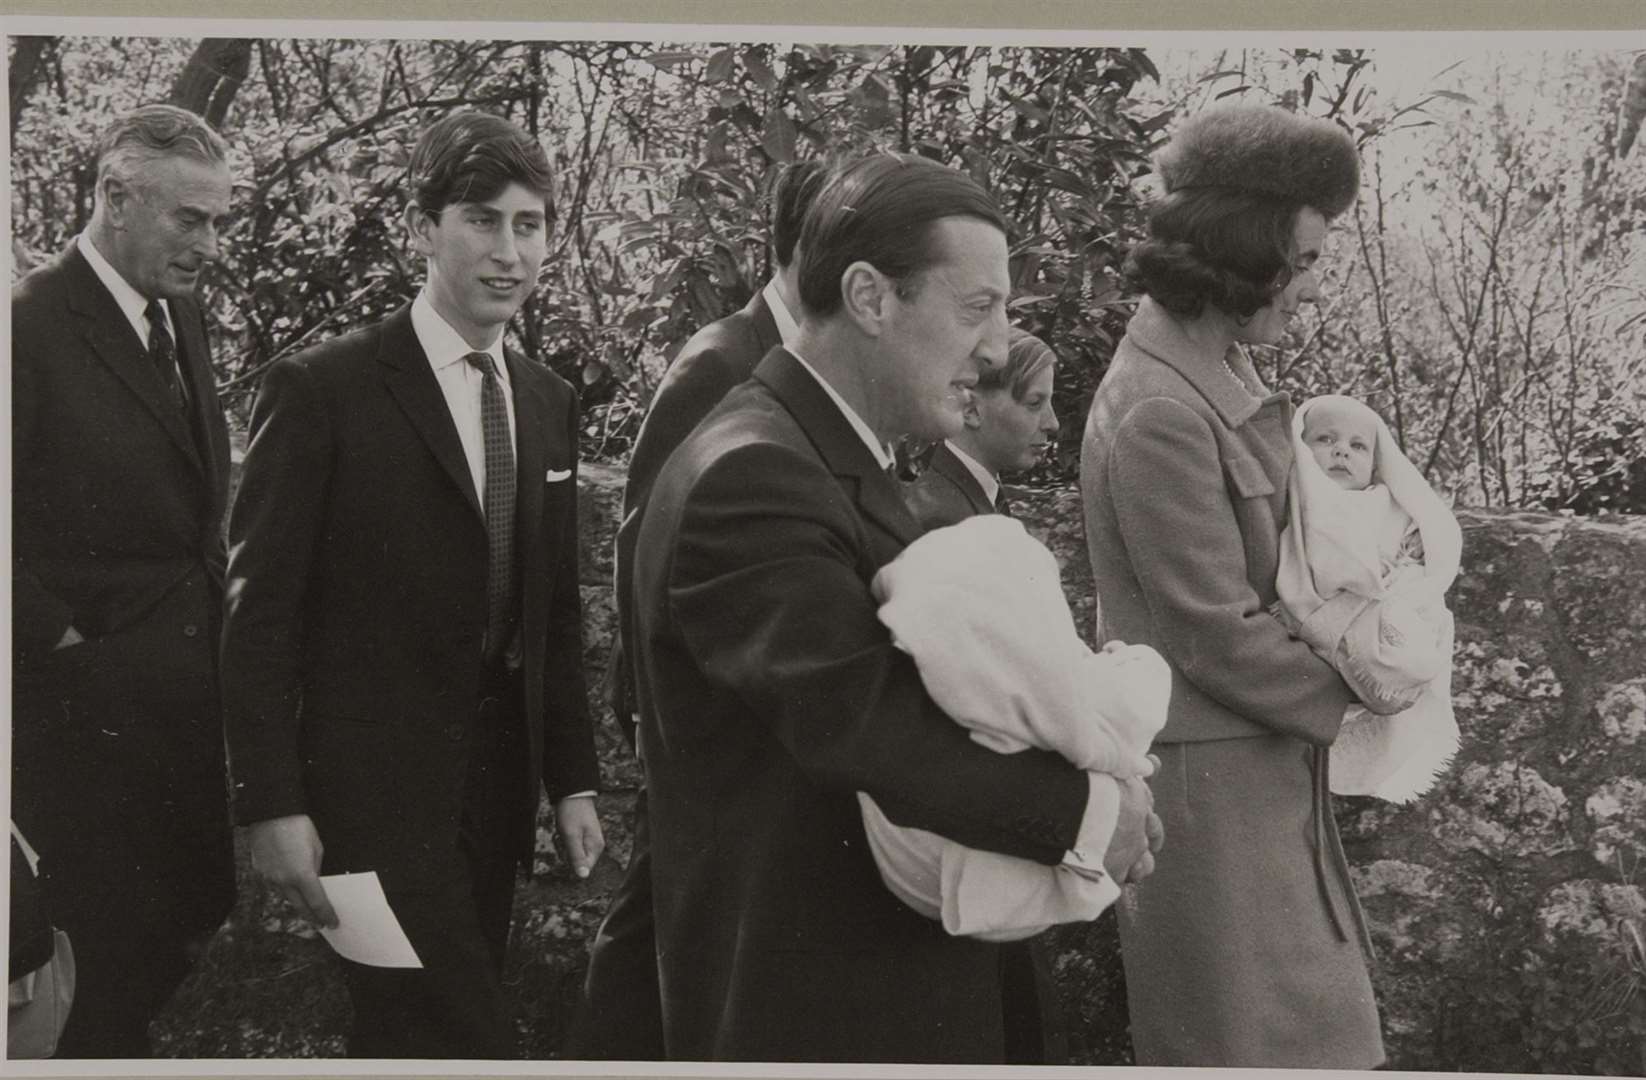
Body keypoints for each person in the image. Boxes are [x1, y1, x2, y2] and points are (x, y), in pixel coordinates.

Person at [630, 152, 1158, 1062]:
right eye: (976, 307)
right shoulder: (750, 473)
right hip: (816, 1011)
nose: (996, 348)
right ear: (871, 299)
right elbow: (863, 723)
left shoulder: (821, 454)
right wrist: (1089, 818)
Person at [220, 109, 604, 1059]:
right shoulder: (323, 390)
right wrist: (270, 803)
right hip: (364, 812)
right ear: (422, 228)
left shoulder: (547, 403)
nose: (509, 250)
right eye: (482, 219)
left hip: (491, 806)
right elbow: (257, 613)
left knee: (405, 1048)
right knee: (468, 1043)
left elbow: (552, 615)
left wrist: (573, 784)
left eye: (530, 224)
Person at [1079, 101, 1395, 1068]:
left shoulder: (1204, 378)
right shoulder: (1161, 411)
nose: (1304, 290)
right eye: (1298, 265)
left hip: (1252, 780)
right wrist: (1373, 692)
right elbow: (1214, 628)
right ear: (1242, 250)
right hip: (1210, 801)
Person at [570, 159, 827, 1060]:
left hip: (741, 714)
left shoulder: (800, 356)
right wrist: (656, 723)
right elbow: (648, 543)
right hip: (698, 723)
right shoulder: (723, 358)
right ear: (805, 244)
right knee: (655, 927)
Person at [10, 103, 236, 1058]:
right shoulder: (28, 324)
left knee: (149, 968)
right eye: (191, 218)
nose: (210, 243)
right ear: (114, 197)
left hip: (177, 725)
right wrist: (61, 637)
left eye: (220, 219)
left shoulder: (175, 313)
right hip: (76, 741)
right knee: (88, 993)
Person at [897, 328, 1074, 1062]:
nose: (1054, 423)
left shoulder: (971, 505)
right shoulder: (941, 515)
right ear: (970, 405)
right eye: (1034, 402)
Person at [1276, 394, 1463, 803]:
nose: (1342, 450)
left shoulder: (1389, 505)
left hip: (1384, 608)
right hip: (1323, 619)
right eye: (1325, 440)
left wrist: (1405, 585)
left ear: (1378, 462)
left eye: (1358, 445)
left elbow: (1420, 561)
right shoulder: (1298, 500)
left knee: (1413, 655)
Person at [904, 326, 1059, 526]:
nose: (1053, 423)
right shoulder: (943, 520)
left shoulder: (974, 497)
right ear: (970, 410)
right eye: (1034, 403)